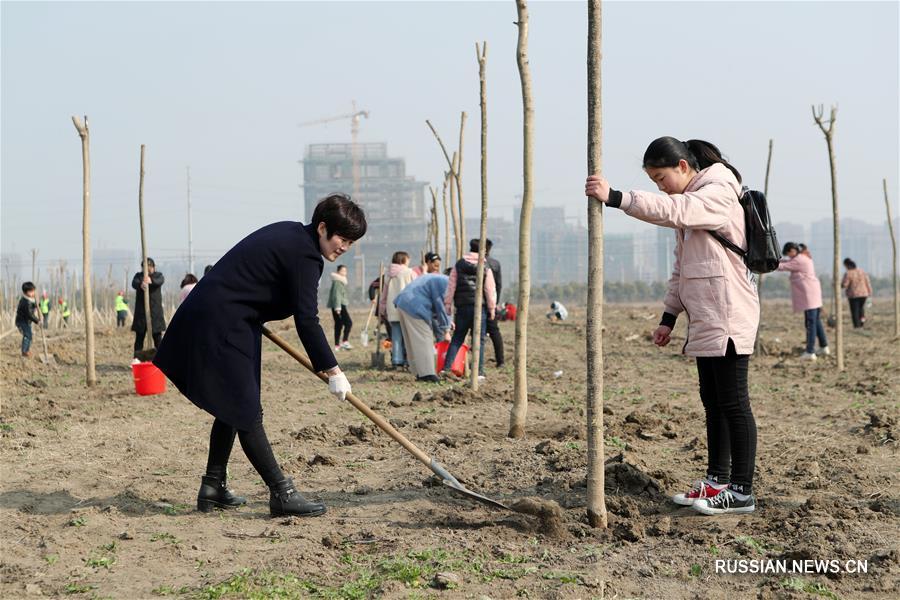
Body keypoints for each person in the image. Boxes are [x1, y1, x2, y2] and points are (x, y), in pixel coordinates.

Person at [153, 194, 365, 518]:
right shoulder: (306, 255)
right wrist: (332, 370)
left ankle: (213, 485)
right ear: (323, 227)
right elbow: (307, 319)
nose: (344, 247)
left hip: (232, 318)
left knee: (233, 404)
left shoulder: (294, 235)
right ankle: (282, 492)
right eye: (342, 239)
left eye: (351, 242)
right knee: (246, 409)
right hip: (222, 321)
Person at [586, 136, 760, 516]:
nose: (660, 187)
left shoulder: (716, 192)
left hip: (729, 314)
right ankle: (717, 481)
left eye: (661, 177)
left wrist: (617, 197)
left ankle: (742, 491)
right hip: (706, 317)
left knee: (734, 403)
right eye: (653, 181)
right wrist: (669, 317)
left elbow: (675, 209)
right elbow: (683, 270)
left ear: (683, 167)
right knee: (713, 403)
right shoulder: (692, 209)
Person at [442, 239, 497, 380]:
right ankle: (478, 372)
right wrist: (492, 308)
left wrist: (448, 305)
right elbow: (490, 289)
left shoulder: (459, 264)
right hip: (480, 308)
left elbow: (451, 286)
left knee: (457, 338)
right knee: (479, 340)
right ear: (483, 250)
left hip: (462, 307)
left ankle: (446, 368)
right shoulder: (485, 265)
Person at [394, 273, 452, 383]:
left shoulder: (439, 278)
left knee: (412, 342)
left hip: (404, 302)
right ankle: (427, 374)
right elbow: (442, 306)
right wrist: (446, 329)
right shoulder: (446, 283)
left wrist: (448, 322)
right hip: (415, 305)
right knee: (424, 339)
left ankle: (417, 371)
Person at [777, 242, 829, 359]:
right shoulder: (802, 257)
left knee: (810, 322)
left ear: (793, 250)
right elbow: (785, 262)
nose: (788, 256)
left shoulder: (799, 260)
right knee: (816, 321)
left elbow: (783, 266)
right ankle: (824, 346)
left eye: (788, 254)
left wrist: (768, 263)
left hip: (809, 295)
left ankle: (810, 351)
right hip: (812, 294)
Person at [379, 251, 417, 368]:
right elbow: (416, 290)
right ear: (403, 260)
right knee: (408, 336)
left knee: (396, 336)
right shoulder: (409, 272)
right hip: (407, 308)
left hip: (392, 309)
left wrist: (382, 309)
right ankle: (407, 360)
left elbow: (384, 295)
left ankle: (396, 360)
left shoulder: (388, 274)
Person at [131, 258, 166, 358]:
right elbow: (134, 283)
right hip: (142, 314)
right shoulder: (139, 276)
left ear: (154, 267)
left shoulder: (158, 276)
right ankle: (137, 359)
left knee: (158, 339)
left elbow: (160, 280)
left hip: (155, 314)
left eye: (150, 267)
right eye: (145, 267)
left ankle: (161, 360)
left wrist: (151, 280)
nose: (148, 269)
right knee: (139, 339)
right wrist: (141, 283)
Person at [482, 241, 505, 368]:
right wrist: (495, 303)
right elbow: (499, 285)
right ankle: (500, 361)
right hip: (491, 301)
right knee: (495, 332)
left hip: (478, 302)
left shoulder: (475, 262)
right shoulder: (496, 264)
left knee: (477, 332)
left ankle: (477, 361)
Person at [327, 264, 353, 351]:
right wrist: (338, 308)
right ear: (338, 272)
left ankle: (337, 345)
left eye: (345, 271)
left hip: (339, 305)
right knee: (348, 323)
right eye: (343, 271)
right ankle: (344, 341)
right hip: (339, 305)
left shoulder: (340, 281)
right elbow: (336, 295)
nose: (345, 272)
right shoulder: (337, 281)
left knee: (339, 324)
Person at [842, 258, 873, 328]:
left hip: (854, 295)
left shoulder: (848, 273)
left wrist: (838, 285)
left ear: (847, 265)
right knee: (861, 310)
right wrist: (870, 292)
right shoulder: (862, 271)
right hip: (864, 294)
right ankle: (862, 322)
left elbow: (845, 284)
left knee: (855, 311)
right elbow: (868, 282)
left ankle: (857, 326)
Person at [16, 282, 40, 357]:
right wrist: (37, 321)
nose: (33, 293)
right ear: (27, 292)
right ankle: (24, 351)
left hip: (26, 322)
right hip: (22, 321)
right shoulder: (25, 302)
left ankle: (27, 350)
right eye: (32, 291)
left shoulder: (30, 300)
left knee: (29, 335)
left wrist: (38, 304)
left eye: (34, 291)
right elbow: (30, 314)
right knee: (27, 335)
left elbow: (34, 306)